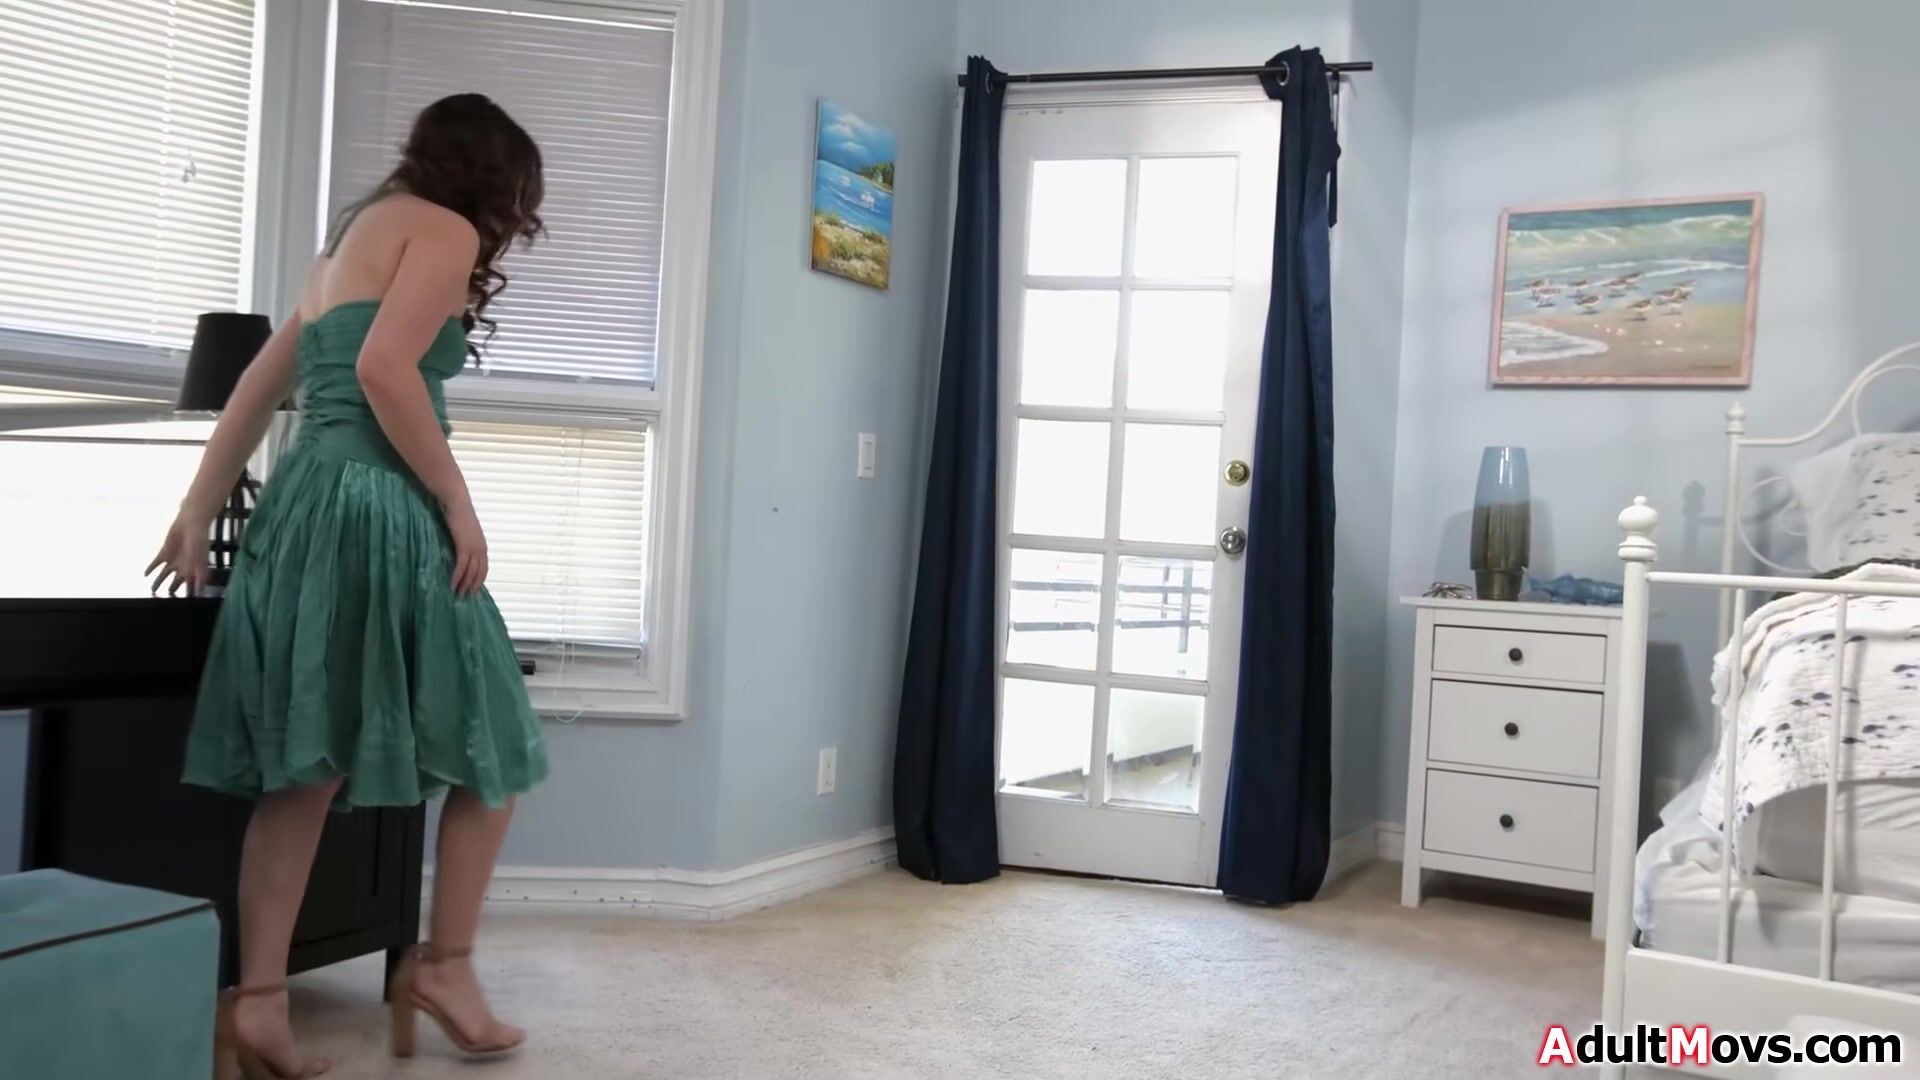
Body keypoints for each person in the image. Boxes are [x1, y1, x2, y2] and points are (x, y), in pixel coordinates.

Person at [147, 93, 550, 1079]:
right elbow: (386, 370)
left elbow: (257, 386)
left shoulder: (345, 247)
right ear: (493, 177)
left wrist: (197, 510)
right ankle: (445, 967)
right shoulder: (445, 229)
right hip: (380, 506)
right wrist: (457, 502)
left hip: (303, 506)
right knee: (494, 742)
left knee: (308, 767)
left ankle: (259, 1004)